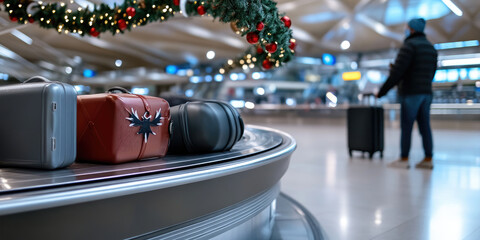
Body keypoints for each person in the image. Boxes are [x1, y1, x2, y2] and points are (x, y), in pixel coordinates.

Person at [376, 18, 438, 169]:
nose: (405, 29)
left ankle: (404, 159)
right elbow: (432, 72)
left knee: (407, 126)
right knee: (425, 126)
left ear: (411, 29)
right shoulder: (431, 48)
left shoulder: (409, 46)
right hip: (426, 93)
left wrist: (382, 92)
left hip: (411, 93)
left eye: (407, 27)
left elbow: (397, 73)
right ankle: (428, 158)